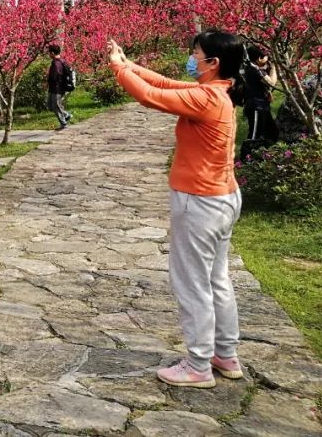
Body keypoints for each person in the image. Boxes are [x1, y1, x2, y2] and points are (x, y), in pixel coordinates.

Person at [107, 30, 246, 389]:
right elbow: (167, 83)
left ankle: (198, 364)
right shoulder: (216, 94)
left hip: (199, 201)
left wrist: (118, 70)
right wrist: (129, 64)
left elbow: (152, 96)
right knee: (217, 279)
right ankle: (225, 355)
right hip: (222, 198)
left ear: (213, 63)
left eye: (195, 53)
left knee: (192, 282)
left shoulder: (207, 98)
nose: (191, 58)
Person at [240, 45, 279, 159]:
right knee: (254, 135)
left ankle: (263, 156)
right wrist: (273, 69)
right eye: (266, 56)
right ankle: (245, 161)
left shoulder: (251, 67)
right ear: (259, 58)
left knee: (272, 132)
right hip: (256, 106)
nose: (268, 59)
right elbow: (271, 83)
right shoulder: (254, 68)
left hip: (262, 106)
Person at [46, 44, 72, 130]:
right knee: (50, 105)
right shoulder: (57, 62)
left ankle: (63, 124)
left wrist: (48, 78)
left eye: (49, 53)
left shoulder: (58, 63)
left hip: (57, 88)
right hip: (53, 88)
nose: (48, 54)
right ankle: (66, 115)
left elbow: (56, 76)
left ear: (52, 53)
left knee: (55, 106)